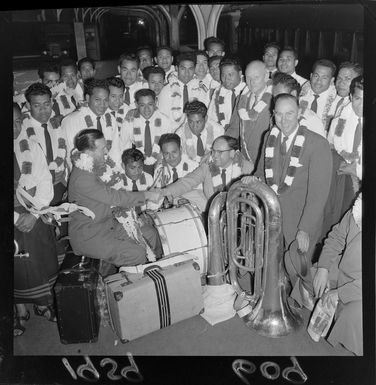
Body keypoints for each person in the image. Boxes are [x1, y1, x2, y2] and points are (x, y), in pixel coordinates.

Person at [246, 94, 332, 306]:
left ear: (300, 113)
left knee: (296, 266)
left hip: (301, 218)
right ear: (273, 114)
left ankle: (315, 299)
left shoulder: (317, 144)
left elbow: (318, 194)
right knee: (270, 258)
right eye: (279, 114)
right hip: (273, 213)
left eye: (289, 114)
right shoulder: (270, 135)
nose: (284, 120)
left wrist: (305, 228)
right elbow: (261, 171)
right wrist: (252, 179)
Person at [68, 129, 161, 268]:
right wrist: (147, 195)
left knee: (150, 234)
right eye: (102, 148)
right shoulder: (82, 177)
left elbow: (116, 187)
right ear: (88, 152)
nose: (106, 152)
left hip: (109, 224)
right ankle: (136, 286)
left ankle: (157, 271)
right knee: (136, 253)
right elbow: (114, 197)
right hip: (90, 235)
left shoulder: (98, 166)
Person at [13, 102, 59, 334]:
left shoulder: (31, 146)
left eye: (17, 122)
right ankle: (18, 310)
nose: (13, 128)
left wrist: (33, 214)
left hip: (33, 211)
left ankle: (42, 304)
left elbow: (45, 181)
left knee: (38, 258)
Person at [312, 193, 362, 355]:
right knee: (313, 273)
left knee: (354, 316)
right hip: (344, 270)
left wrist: (339, 293)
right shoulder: (359, 208)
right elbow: (336, 238)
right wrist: (323, 268)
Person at [160, 135, 253, 212]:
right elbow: (187, 182)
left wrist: (254, 181)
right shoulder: (207, 167)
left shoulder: (248, 169)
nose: (214, 155)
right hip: (215, 218)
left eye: (220, 152)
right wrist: (164, 192)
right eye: (213, 151)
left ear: (232, 153)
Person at [323, 76, 363, 239]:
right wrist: (340, 162)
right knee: (341, 228)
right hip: (343, 182)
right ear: (351, 97)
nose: (362, 105)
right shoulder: (340, 120)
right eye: (358, 99)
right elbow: (330, 146)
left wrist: (358, 169)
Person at [23, 83, 68, 206]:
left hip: (59, 185)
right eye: (37, 105)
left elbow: (64, 151)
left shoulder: (57, 125)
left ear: (52, 103)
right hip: (35, 189)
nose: (43, 110)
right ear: (28, 105)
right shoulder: (22, 130)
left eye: (46, 104)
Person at [62, 78, 121, 170]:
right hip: (83, 175)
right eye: (98, 99)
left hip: (108, 174)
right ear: (88, 98)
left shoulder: (111, 119)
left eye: (106, 100)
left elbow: (115, 151)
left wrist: (115, 174)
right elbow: (71, 156)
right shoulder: (71, 121)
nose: (102, 104)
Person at [227, 60, 273, 169]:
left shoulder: (275, 100)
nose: (252, 82)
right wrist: (220, 147)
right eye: (248, 78)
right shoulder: (241, 99)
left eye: (256, 77)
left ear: (266, 76)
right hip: (245, 161)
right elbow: (234, 129)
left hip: (266, 161)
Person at [121, 88, 173, 176]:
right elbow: (124, 145)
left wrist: (159, 163)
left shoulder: (165, 121)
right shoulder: (129, 121)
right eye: (142, 105)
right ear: (136, 104)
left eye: (150, 104)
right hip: (136, 163)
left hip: (160, 161)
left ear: (156, 102)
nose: (146, 109)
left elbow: (168, 147)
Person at [271, 72, 326, 138]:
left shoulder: (311, 119)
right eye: (274, 97)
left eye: (281, 96)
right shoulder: (276, 117)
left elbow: (321, 146)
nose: (276, 101)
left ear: (294, 94)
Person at [158, 52, 203, 129]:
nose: (187, 73)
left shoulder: (200, 89)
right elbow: (162, 118)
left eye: (190, 69)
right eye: (183, 69)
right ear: (176, 68)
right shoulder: (167, 90)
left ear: (194, 69)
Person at [207, 57, 247, 130]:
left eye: (230, 75)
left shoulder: (248, 90)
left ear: (240, 73)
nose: (226, 79)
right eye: (223, 75)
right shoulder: (218, 92)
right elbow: (211, 118)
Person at [299, 59, 337, 132]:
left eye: (324, 78)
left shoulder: (336, 100)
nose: (318, 81)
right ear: (311, 76)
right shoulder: (299, 95)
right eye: (316, 76)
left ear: (332, 80)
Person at [121, 148, 154, 213]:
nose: (136, 172)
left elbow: (152, 202)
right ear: (123, 166)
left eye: (140, 167)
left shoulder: (148, 178)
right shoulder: (118, 181)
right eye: (132, 168)